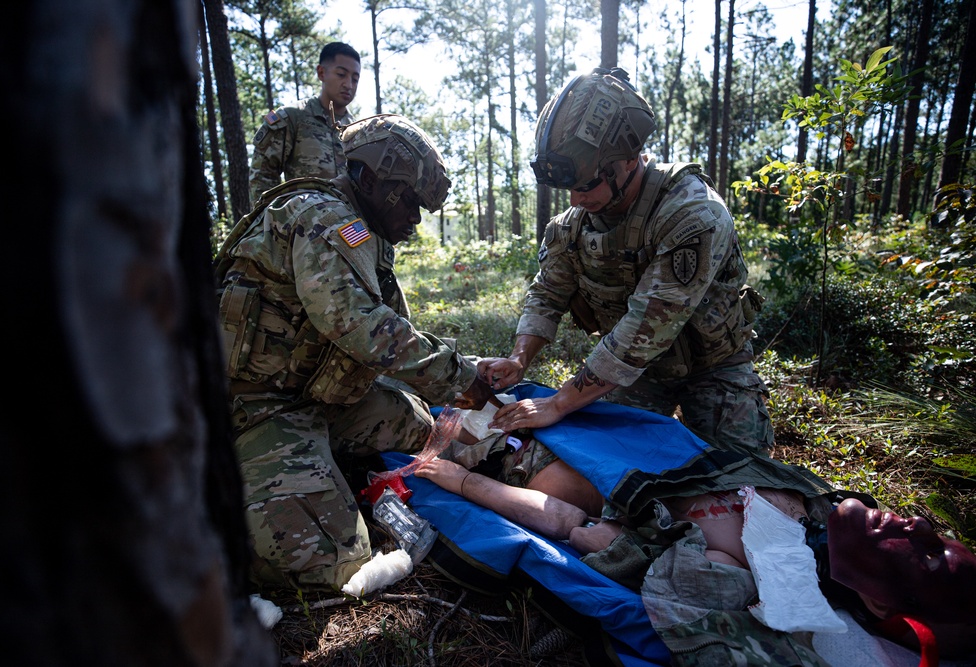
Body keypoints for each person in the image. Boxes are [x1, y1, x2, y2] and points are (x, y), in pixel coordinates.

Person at [213, 113, 494, 591]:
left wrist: (463, 371)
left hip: (319, 396)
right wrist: (460, 377)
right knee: (324, 557)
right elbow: (364, 327)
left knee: (424, 427)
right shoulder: (322, 218)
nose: (414, 216)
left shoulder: (363, 235)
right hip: (258, 405)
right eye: (408, 199)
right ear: (368, 178)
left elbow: (393, 326)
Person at [414, 436, 976, 664]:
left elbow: (570, 525)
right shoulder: (822, 507)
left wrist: (459, 483)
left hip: (564, 473)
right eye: (938, 535)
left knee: (477, 434)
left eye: (927, 555)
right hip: (612, 441)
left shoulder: (742, 576)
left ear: (879, 605)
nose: (921, 524)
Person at [480, 67, 772, 456]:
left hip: (715, 367)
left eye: (585, 186)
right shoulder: (569, 229)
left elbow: (645, 326)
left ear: (628, 160)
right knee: (611, 467)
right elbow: (547, 295)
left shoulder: (691, 212)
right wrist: (520, 358)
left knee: (745, 478)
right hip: (637, 375)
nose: (575, 200)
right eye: (569, 188)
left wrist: (559, 402)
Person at [248, 41, 362, 205]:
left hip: (351, 228)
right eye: (341, 74)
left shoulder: (359, 132)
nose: (349, 85)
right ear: (321, 73)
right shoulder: (291, 118)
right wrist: (275, 224)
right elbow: (261, 178)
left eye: (355, 79)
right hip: (304, 226)